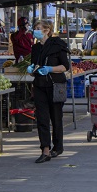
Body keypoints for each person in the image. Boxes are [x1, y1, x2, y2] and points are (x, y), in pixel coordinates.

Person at [27, 19, 71, 163]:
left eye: (38, 28)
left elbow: (65, 66)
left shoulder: (58, 45)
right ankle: (45, 149)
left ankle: (58, 147)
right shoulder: (36, 48)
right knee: (42, 118)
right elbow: (34, 66)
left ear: (47, 30)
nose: (35, 30)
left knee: (56, 117)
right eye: (35, 28)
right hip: (40, 85)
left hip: (55, 85)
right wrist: (31, 70)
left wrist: (51, 69)